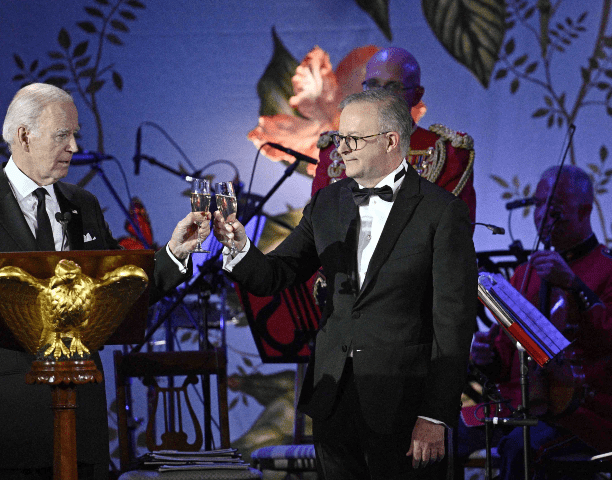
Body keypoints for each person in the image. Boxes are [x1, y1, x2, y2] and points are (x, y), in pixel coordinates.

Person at [0, 83, 209, 480]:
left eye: (75, 135)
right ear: (24, 135)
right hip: (8, 425)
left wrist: (176, 252)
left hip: (82, 421)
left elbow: (123, 287)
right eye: (63, 135)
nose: (74, 147)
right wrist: (28, 320)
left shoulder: (84, 204)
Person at [214, 88, 476, 479]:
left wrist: (435, 414)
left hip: (404, 403)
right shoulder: (327, 203)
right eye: (340, 138)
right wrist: (239, 247)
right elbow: (275, 275)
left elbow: (454, 324)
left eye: (354, 139)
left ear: (391, 141)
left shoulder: (441, 212)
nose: (341, 149)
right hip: (333, 395)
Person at [469, 165, 612, 479]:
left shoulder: (606, 267)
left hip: (586, 411)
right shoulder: (525, 273)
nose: (542, 215)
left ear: (585, 210)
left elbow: (606, 339)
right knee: (446, 433)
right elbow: (507, 358)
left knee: (520, 447)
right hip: (524, 404)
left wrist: (574, 285)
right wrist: (487, 357)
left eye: (556, 208)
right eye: (538, 205)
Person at [312, 47, 476, 224]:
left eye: (394, 87)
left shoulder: (448, 155)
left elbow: (453, 235)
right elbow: (318, 225)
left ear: (416, 95)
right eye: (373, 84)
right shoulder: (334, 151)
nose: (380, 94)